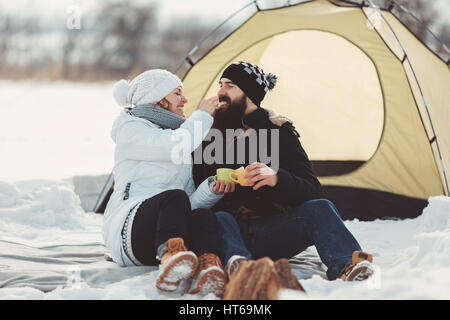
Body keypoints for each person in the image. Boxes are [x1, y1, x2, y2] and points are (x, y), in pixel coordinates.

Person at [193, 61, 375, 282]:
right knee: (219, 218)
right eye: (221, 84)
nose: (220, 92)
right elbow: (194, 183)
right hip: (227, 230)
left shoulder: (280, 132)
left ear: (249, 93)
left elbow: (313, 190)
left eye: (229, 86)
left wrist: (276, 179)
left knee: (321, 207)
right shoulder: (210, 130)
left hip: (273, 230)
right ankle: (240, 268)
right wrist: (214, 187)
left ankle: (348, 264)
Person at [103, 69, 231, 297]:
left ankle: (207, 268)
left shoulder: (178, 135)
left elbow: (186, 206)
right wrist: (202, 115)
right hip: (128, 232)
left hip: (162, 233)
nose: (185, 100)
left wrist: (211, 189)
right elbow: (174, 146)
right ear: (158, 98)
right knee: (173, 197)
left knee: (202, 215)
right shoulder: (131, 129)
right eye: (177, 93)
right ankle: (171, 257)